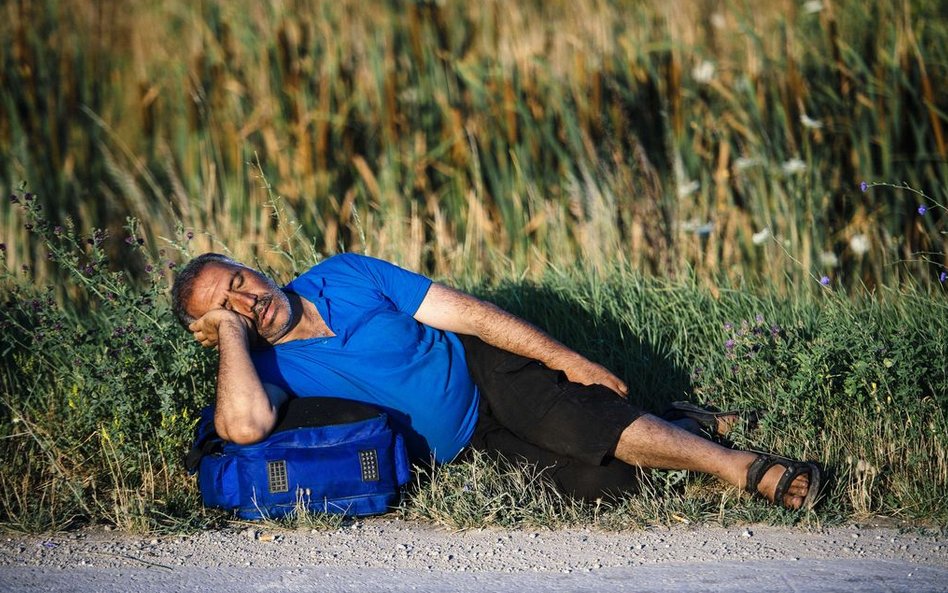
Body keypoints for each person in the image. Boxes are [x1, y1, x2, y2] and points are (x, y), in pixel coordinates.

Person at [171, 252, 821, 510]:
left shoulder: (342, 274)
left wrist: (573, 362)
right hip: (466, 446)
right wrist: (233, 333)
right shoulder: (264, 372)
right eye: (224, 308)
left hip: (482, 371)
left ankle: (743, 467)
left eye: (239, 282)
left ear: (253, 265)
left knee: (575, 418)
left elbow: (472, 314)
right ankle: (683, 424)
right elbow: (245, 427)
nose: (246, 300)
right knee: (600, 482)